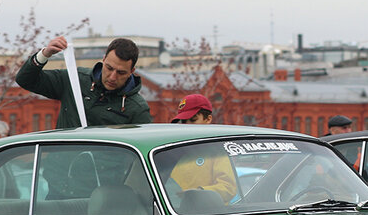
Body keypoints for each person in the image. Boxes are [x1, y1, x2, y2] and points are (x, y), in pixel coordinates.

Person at [15, 36, 152, 128]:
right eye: (109, 68)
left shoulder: (137, 108)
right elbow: (25, 80)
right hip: (61, 162)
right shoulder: (75, 80)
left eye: (121, 73)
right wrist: (44, 54)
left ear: (132, 71)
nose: (112, 77)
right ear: (103, 59)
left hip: (104, 165)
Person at [169, 94, 237, 200]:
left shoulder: (216, 151)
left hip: (208, 209)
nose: (187, 126)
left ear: (208, 119)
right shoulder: (171, 150)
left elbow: (228, 188)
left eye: (193, 120)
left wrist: (199, 192)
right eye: (183, 121)